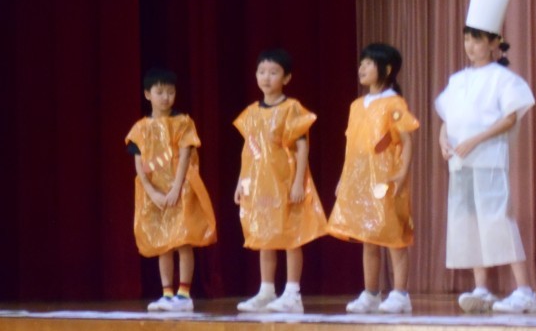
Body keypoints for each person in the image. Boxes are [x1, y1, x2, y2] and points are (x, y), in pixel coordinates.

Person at [435, 0, 536, 314]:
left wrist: (475, 139)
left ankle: (525, 290)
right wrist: (443, 139)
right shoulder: (458, 79)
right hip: (460, 162)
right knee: (467, 222)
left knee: (497, 220)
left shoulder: (503, 78)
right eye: (467, 38)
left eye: (477, 39)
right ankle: (481, 288)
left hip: (489, 160)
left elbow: (510, 118)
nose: (470, 45)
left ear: (494, 42)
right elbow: (447, 116)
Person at [327, 43, 419, 314]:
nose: (362, 68)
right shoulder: (357, 105)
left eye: (368, 63)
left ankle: (400, 294)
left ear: (386, 69)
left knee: (394, 237)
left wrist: (402, 172)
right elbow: (352, 146)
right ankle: (371, 293)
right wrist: (345, 177)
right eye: (361, 63)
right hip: (361, 179)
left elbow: (406, 140)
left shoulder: (394, 103)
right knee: (368, 236)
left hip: (387, 178)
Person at [233, 49, 326, 314]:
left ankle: (292, 293)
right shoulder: (251, 112)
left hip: (285, 181)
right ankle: (266, 291)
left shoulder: (291, 108)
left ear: (286, 78)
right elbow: (248, 150)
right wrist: (241, 182)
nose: (266, 77)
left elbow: (302, 147)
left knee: (291, 235)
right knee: (265, 236)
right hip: (260, 184)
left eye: (273, 72)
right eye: (262, 71)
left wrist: (298, 183)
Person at [125, 68, 217, 312]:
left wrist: (177, 187)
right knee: (163, 243)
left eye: (170, 92)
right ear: (148, 94)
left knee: (183, 240)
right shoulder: (140, 129)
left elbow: (186, 155)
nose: (166, 97)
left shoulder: (183, 122)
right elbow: (139, 164)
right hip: (155, 193)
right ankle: (167, 294)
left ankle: (184, 294)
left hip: (180, 188)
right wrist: (152, 192)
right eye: (160, 92)